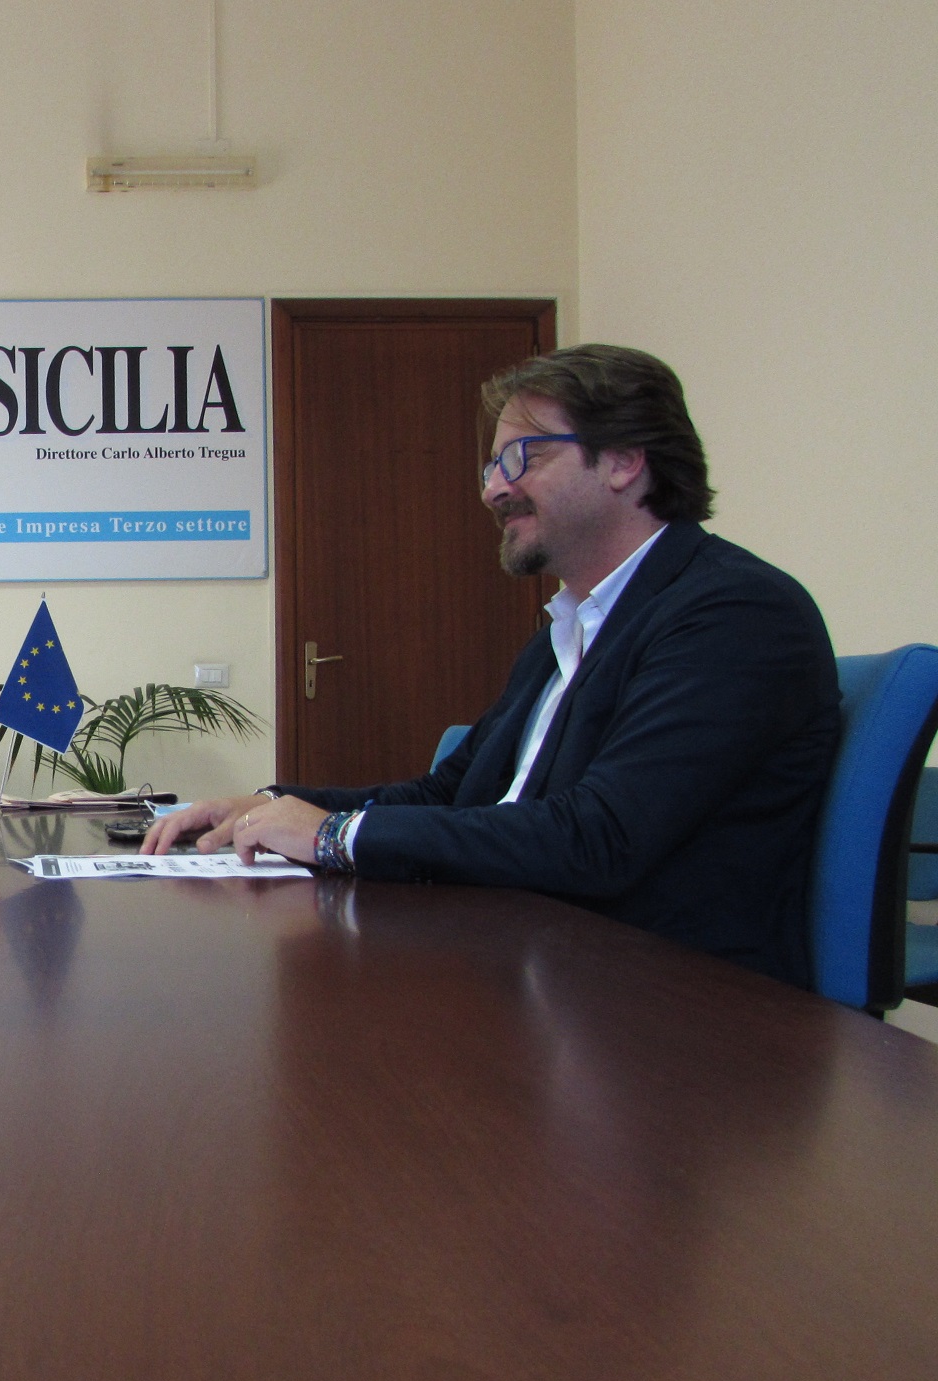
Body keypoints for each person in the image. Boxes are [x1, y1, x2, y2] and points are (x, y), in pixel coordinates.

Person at [144, 344, 840, 986]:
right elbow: (451, 792)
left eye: (522, 457)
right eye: (492, 466)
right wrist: (275, 806)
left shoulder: (735, 613)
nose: (493, 490)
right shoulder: (565, 633)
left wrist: (332, 835)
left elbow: (601, 837)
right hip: (535, 963)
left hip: (667, 1006)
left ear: (625, 460)